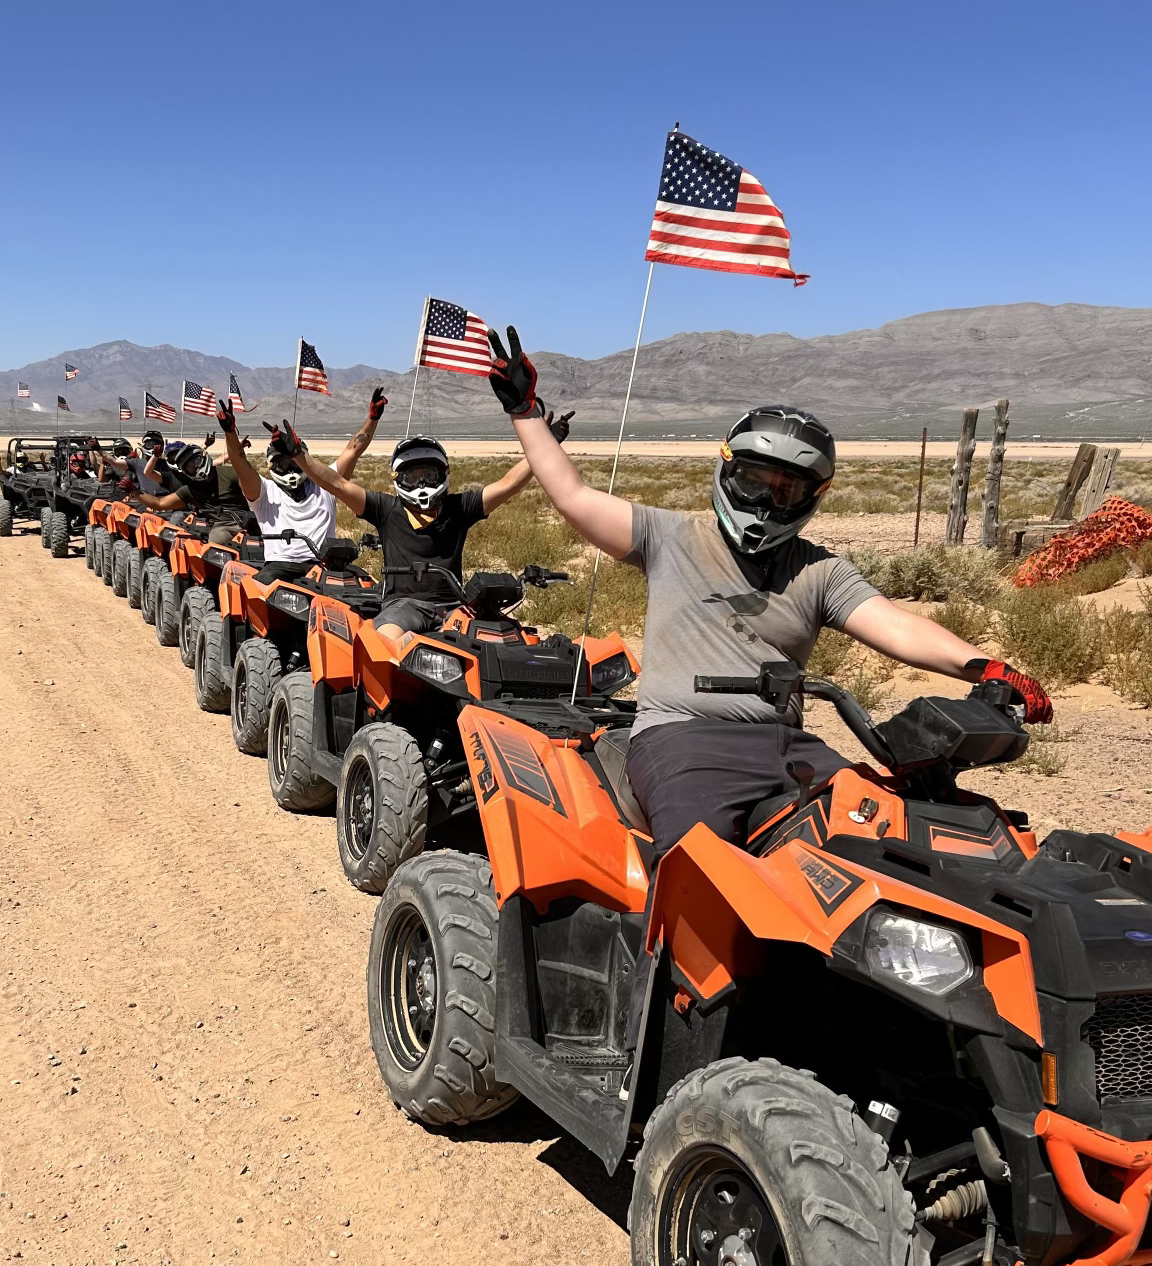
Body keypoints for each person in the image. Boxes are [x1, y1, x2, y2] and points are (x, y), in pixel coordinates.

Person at [485, 325, 1054, 1051]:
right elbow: (570, 495)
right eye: (756, 480)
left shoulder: (816, 570)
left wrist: (986, 668)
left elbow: (895, 624)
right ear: (727, 471)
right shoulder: (669, 535)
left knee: (881, 842)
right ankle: (652, 1038)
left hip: (789, 745)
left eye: (788, 490)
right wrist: (526, 411)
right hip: (681, 740)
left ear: (813, 498)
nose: (767, 500)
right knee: (695, 873)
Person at [281, 409, 574, 642]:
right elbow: (338, 484)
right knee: (385, 642)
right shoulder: (385, 509)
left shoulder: (460, 508)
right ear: (398, 479)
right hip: (403, 607)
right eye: (413, 476)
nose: (421, 484)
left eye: (429, 475)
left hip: (458, 607)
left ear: (443, 474)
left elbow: (508, 484)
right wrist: (300, 458)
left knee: (507, 643)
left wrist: (545, 444)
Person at [213, 387, 391, 582]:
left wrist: (373, 419)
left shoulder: (326, 485)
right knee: (260, 590)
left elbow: (353, 450)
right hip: (280, 566)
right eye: (283, 463)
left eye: (294, 461)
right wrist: (230, 432)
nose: (290, 468)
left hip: (325, 565)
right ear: (273, 465)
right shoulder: (264, 492)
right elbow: (240, 464)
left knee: (366, 587)